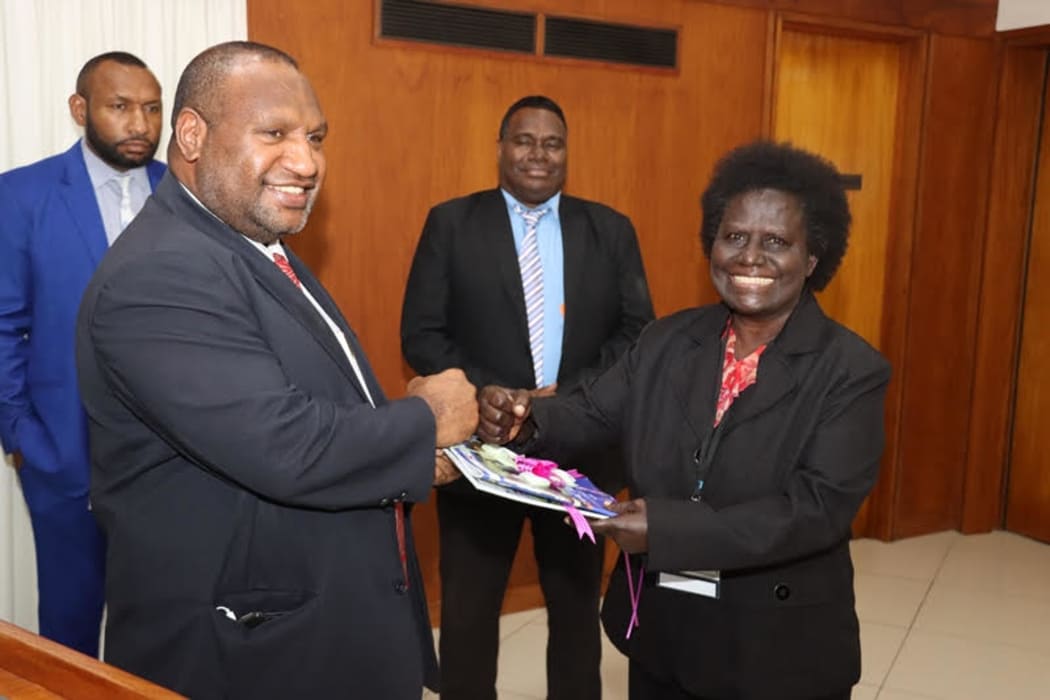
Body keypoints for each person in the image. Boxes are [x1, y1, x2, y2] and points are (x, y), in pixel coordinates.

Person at [74, 41, 477, 699]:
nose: (307, 161)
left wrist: (409, 452)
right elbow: (284, 444)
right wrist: (426, 422)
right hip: (247, 657)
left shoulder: (252, 247)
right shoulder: (161, 272)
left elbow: (299, 407)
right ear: (193, 134)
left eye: (315, 137)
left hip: (321, 631)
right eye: (276, 133)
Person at [478, 140, 891, 700]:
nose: (750, 257)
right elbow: (593, 410)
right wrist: (524, 422)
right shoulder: (668, 339)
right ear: (712, 245)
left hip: (778, 651)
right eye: (735, 237)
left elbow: (812, 511)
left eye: (776, 242)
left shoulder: (852, 370)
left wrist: (667, 530)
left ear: (813, 258)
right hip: (664, 635)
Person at [401, 94, 654, 700]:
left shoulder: (611, 230)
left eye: (552, 143)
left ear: (566, 153)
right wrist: (491, 393)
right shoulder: (451, 223)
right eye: (524, 140)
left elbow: (637, 332)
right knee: (468, 612)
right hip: (481, 454)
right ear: (500, 148)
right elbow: (421, 332)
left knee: (575, 612)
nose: (538, 154)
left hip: (577, 450)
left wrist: (565, 397)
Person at [0, 51, 165, 656]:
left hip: (175, 460)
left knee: (162, 625)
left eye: (151, 108)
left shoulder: (186, 192)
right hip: (65, 456)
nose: (140, 124)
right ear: (81, 109)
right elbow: (2, 324)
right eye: (120, 107)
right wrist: (21, 434)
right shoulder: (20, 195)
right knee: (68, 631)